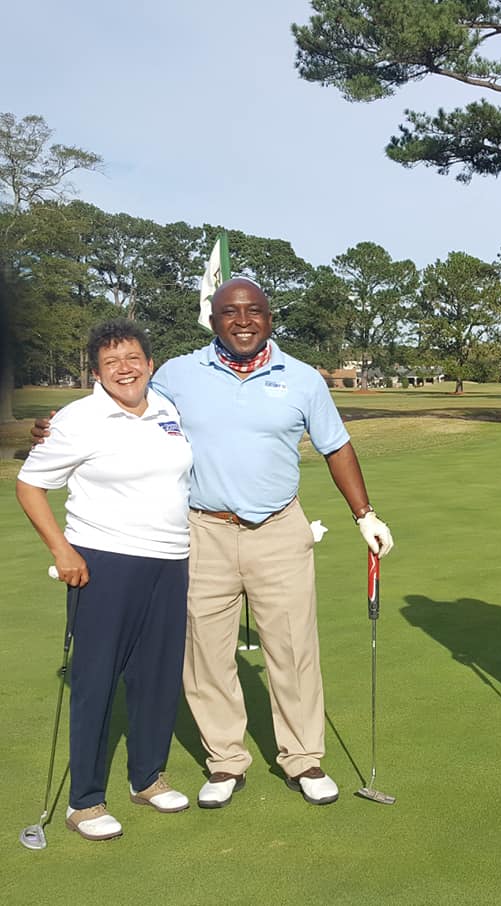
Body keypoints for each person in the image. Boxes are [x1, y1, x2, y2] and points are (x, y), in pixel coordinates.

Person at [33, 277, 394, 810]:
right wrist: (58, 424)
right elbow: (123, 396)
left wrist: (364, 514)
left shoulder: (302, 379)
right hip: (201, 530)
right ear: (214, 319)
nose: (243, 320)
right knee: (205, 654)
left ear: (270, 317)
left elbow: (336, 446)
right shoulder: (178, 374)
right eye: (230, 312)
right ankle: (226, 760)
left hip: (278, 527)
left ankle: (303, 759)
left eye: (254, 311)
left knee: (293, 648)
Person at [17, 320, 192, 841]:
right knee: (96, 681)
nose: (125, 369)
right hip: (104, 562)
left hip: (170, 559)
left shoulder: (168, 411)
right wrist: (62, 549)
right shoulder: (77, 419)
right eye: (112, 362)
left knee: (157, 678)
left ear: (150, 364)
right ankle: (85, 801)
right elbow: (30, 486)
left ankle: (147, 777)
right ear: (96, 372)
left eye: (134, 358)